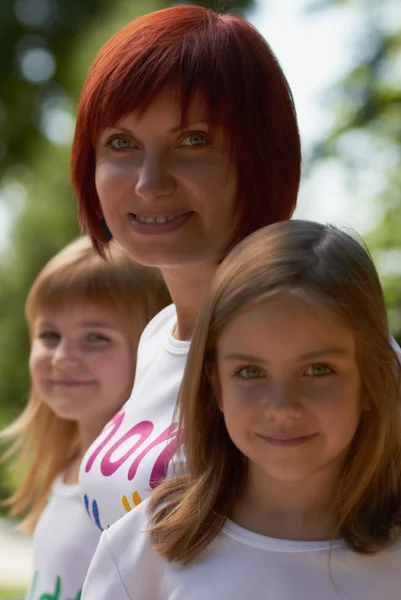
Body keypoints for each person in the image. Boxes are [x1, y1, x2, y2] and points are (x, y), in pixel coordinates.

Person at [70, 3, 301, 530]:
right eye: (121, 143)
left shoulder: (327, 347)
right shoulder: (156, 339)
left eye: (193, 141)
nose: (150, 182)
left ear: (262, 158)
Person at [81, 220, 401, 599]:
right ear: (215, 385)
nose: (283, 407)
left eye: (318, 370)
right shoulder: (145, 547)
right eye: (251, 372)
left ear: (372, 382)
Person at [1, 236, 170, 600]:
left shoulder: (143, 488)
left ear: (149, 348)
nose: (62, 356)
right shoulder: (66, 463)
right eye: (49, 335)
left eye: (95, 337)